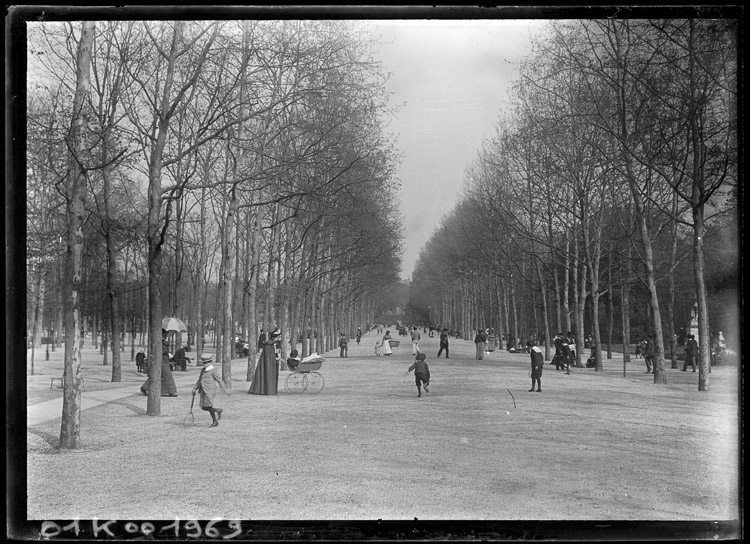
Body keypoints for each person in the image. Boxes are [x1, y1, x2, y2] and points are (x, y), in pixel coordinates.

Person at [192, 354, 228, 428]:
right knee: (204, 407)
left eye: (206, 363)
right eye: (203, 363)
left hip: (210, 391)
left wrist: (224, 390)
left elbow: (219, 380)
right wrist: (195, 388)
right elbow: (199, 380)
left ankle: (216, 417)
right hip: (203, 391)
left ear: (210, 362)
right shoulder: (203, 370)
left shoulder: (213, 370)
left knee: (207, 406)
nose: (204, 364)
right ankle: (217, 414)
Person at [248, 329, 280, 395]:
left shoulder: (272, 344)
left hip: (271, 363)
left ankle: (270, 390)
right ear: (274, 337)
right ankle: (267, 390)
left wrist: (276, 358)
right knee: (268, 375)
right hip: (268, 364)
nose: (278, 338)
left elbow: (273, 354)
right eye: (277, 337)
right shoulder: (269, 345)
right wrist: (275, 358)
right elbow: (268, 357)